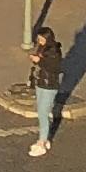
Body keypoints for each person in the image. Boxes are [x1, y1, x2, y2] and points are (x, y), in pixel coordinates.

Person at [26, 24, 66, 154]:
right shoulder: (43, 48)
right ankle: (45, 138)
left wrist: (39, 61)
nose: (40, 41)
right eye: (39, 39)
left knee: (43, 114)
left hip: (49, 85)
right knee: (41, 111)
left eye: (41, 39)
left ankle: (42, 142)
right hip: (41, 83)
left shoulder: (54, 51)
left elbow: (54, 68)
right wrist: (36, 60)